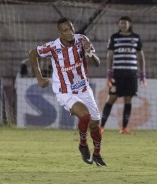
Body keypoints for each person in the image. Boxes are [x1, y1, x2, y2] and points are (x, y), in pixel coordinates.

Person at [29, 17, 106, 166]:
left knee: (95, 125)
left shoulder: (82, 39)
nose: (70, 32)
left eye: (71, 28)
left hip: (84, 89)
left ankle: (96, 154)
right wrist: (39, 77)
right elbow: (33, 53)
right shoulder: (52, 47)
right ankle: (83, 144)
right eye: (65, 30)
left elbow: (96, 63)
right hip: (65, 91)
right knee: (85, 116)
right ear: (59, 33)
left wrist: (89, 51)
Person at [100, 16, 147, 134]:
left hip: (131, 74)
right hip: (118, 74)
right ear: (119, 25)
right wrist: (109, 74)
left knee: (128, 99)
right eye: (121, 23)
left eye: (125, 23)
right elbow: (109, 56)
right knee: (111, 98)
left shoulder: (136, 38)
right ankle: (101, 127)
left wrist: (143, 74)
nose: (122, 25)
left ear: (129, 24)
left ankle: (124, 128)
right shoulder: (114, 37)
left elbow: (141, 57)